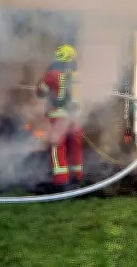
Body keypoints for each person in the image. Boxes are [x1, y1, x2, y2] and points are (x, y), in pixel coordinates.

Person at [35, 44, 83, 191]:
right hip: (75, 119)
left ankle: (60, 181)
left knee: (58, 148)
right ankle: (77, 177)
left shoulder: (53, 74)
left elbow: (40, 91)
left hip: (58, 118)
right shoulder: (77, 77)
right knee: (75, 147)